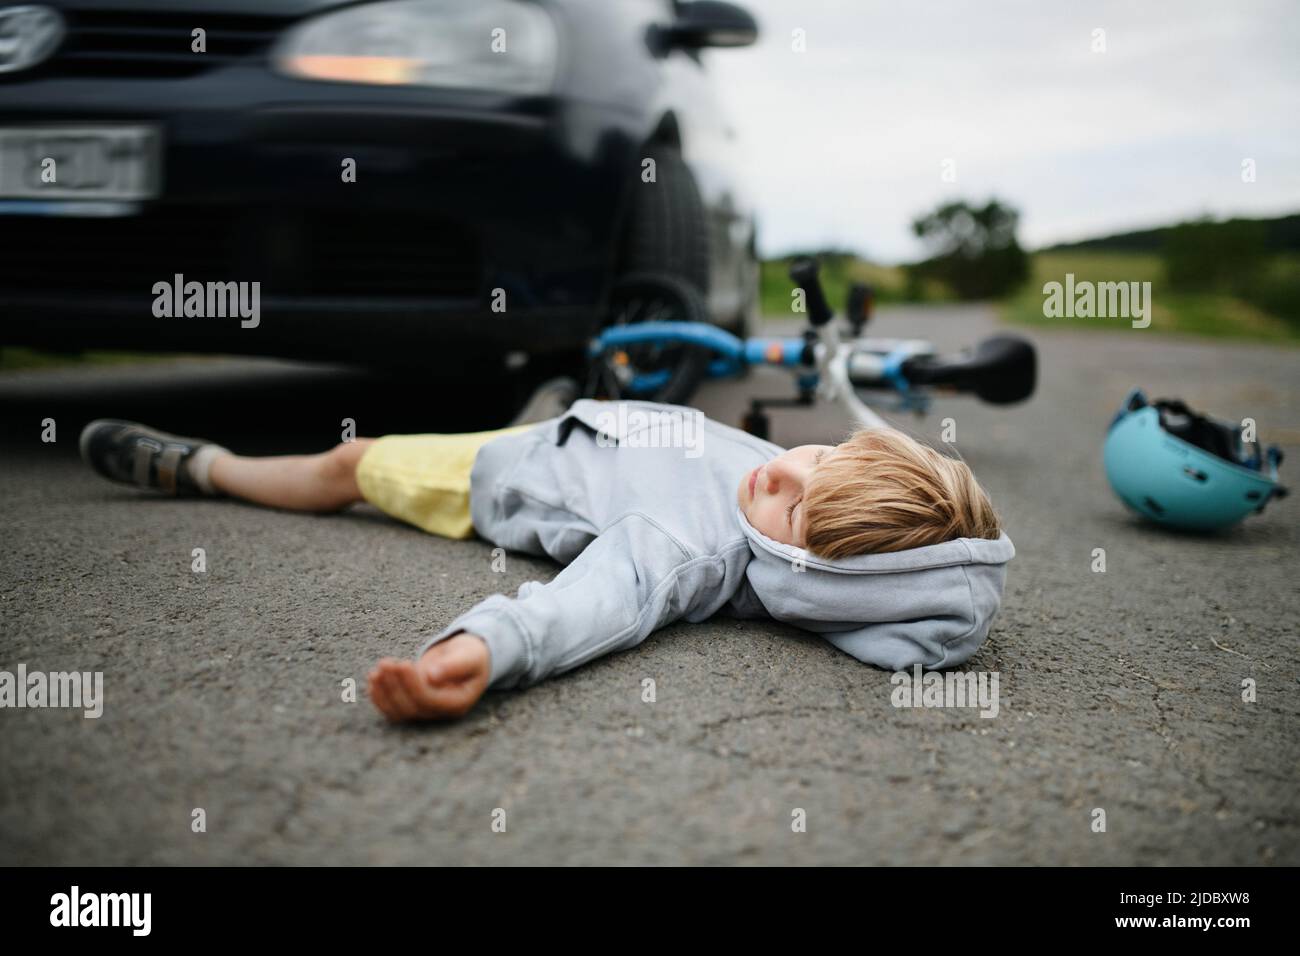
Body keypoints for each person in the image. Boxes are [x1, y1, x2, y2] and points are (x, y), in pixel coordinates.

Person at [79, 399, 1015, 722]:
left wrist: (486, 650)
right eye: (821, 457)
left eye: (796, 506)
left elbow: (588, 605)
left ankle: (205, 468)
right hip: (574, 427)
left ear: (809, 575)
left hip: (493, 469)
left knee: (350, 462)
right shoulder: (779, 481)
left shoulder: (685, 554)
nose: (781, 469)